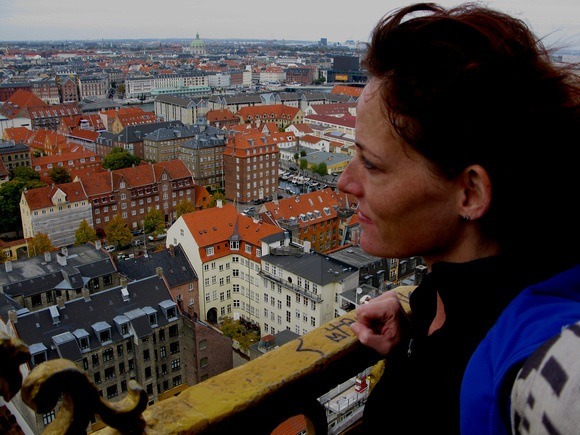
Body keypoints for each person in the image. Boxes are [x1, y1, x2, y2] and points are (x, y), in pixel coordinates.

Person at [337, 2, 580, 434]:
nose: (345, 182)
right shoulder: (441, 296)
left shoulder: (533, 361)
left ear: (469, 193)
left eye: (371, 164)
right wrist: (413, 342)